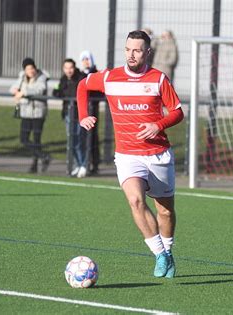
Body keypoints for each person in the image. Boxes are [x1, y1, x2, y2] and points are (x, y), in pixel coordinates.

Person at [77, 30, 184, 278]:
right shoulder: (109, 77)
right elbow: (82, 86)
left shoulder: (158, 79)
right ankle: (159, 254)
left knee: (165, 211)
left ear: (147, 52)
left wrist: (158, 125)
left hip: (158, 154)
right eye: (128, 49)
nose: (131, 54)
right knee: (135, 201)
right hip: (127, 155)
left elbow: (177, 112)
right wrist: (83, 115)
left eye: (137, 50)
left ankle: (168, 251)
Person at [9, 57, 50, 173]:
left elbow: (40, 90)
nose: (30, 71)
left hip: (38, 113)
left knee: (37, 139)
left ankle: (35, 165)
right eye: (27, 69)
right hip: (26, 112)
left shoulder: (41, 77)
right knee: (24, 139)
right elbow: (12, 88)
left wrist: (24, 92)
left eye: (32, 68)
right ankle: (43, 156)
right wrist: (17, 92)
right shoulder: (22, 77)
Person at [53, 58, 84, 177]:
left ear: (74, 67)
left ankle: (83, 165)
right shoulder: (63, 79)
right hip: (67, 113)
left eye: (70, 67)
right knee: (71, 141)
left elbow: (77, 94)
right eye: (66, 68)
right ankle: (77, 164)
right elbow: (58, 91)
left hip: (79, 114)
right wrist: (57, 92)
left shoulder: (80, 77)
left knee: (79, 140)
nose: (68, 70)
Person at [78, 50, 102, 176]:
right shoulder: (80, 74)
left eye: (87, 59)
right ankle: (83, 163)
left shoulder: (96, 74)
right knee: (81, 138)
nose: (86, 62)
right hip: (82, 110)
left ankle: (94, 163)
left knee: (92, 137)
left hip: (92, 110)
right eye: (83, 59)